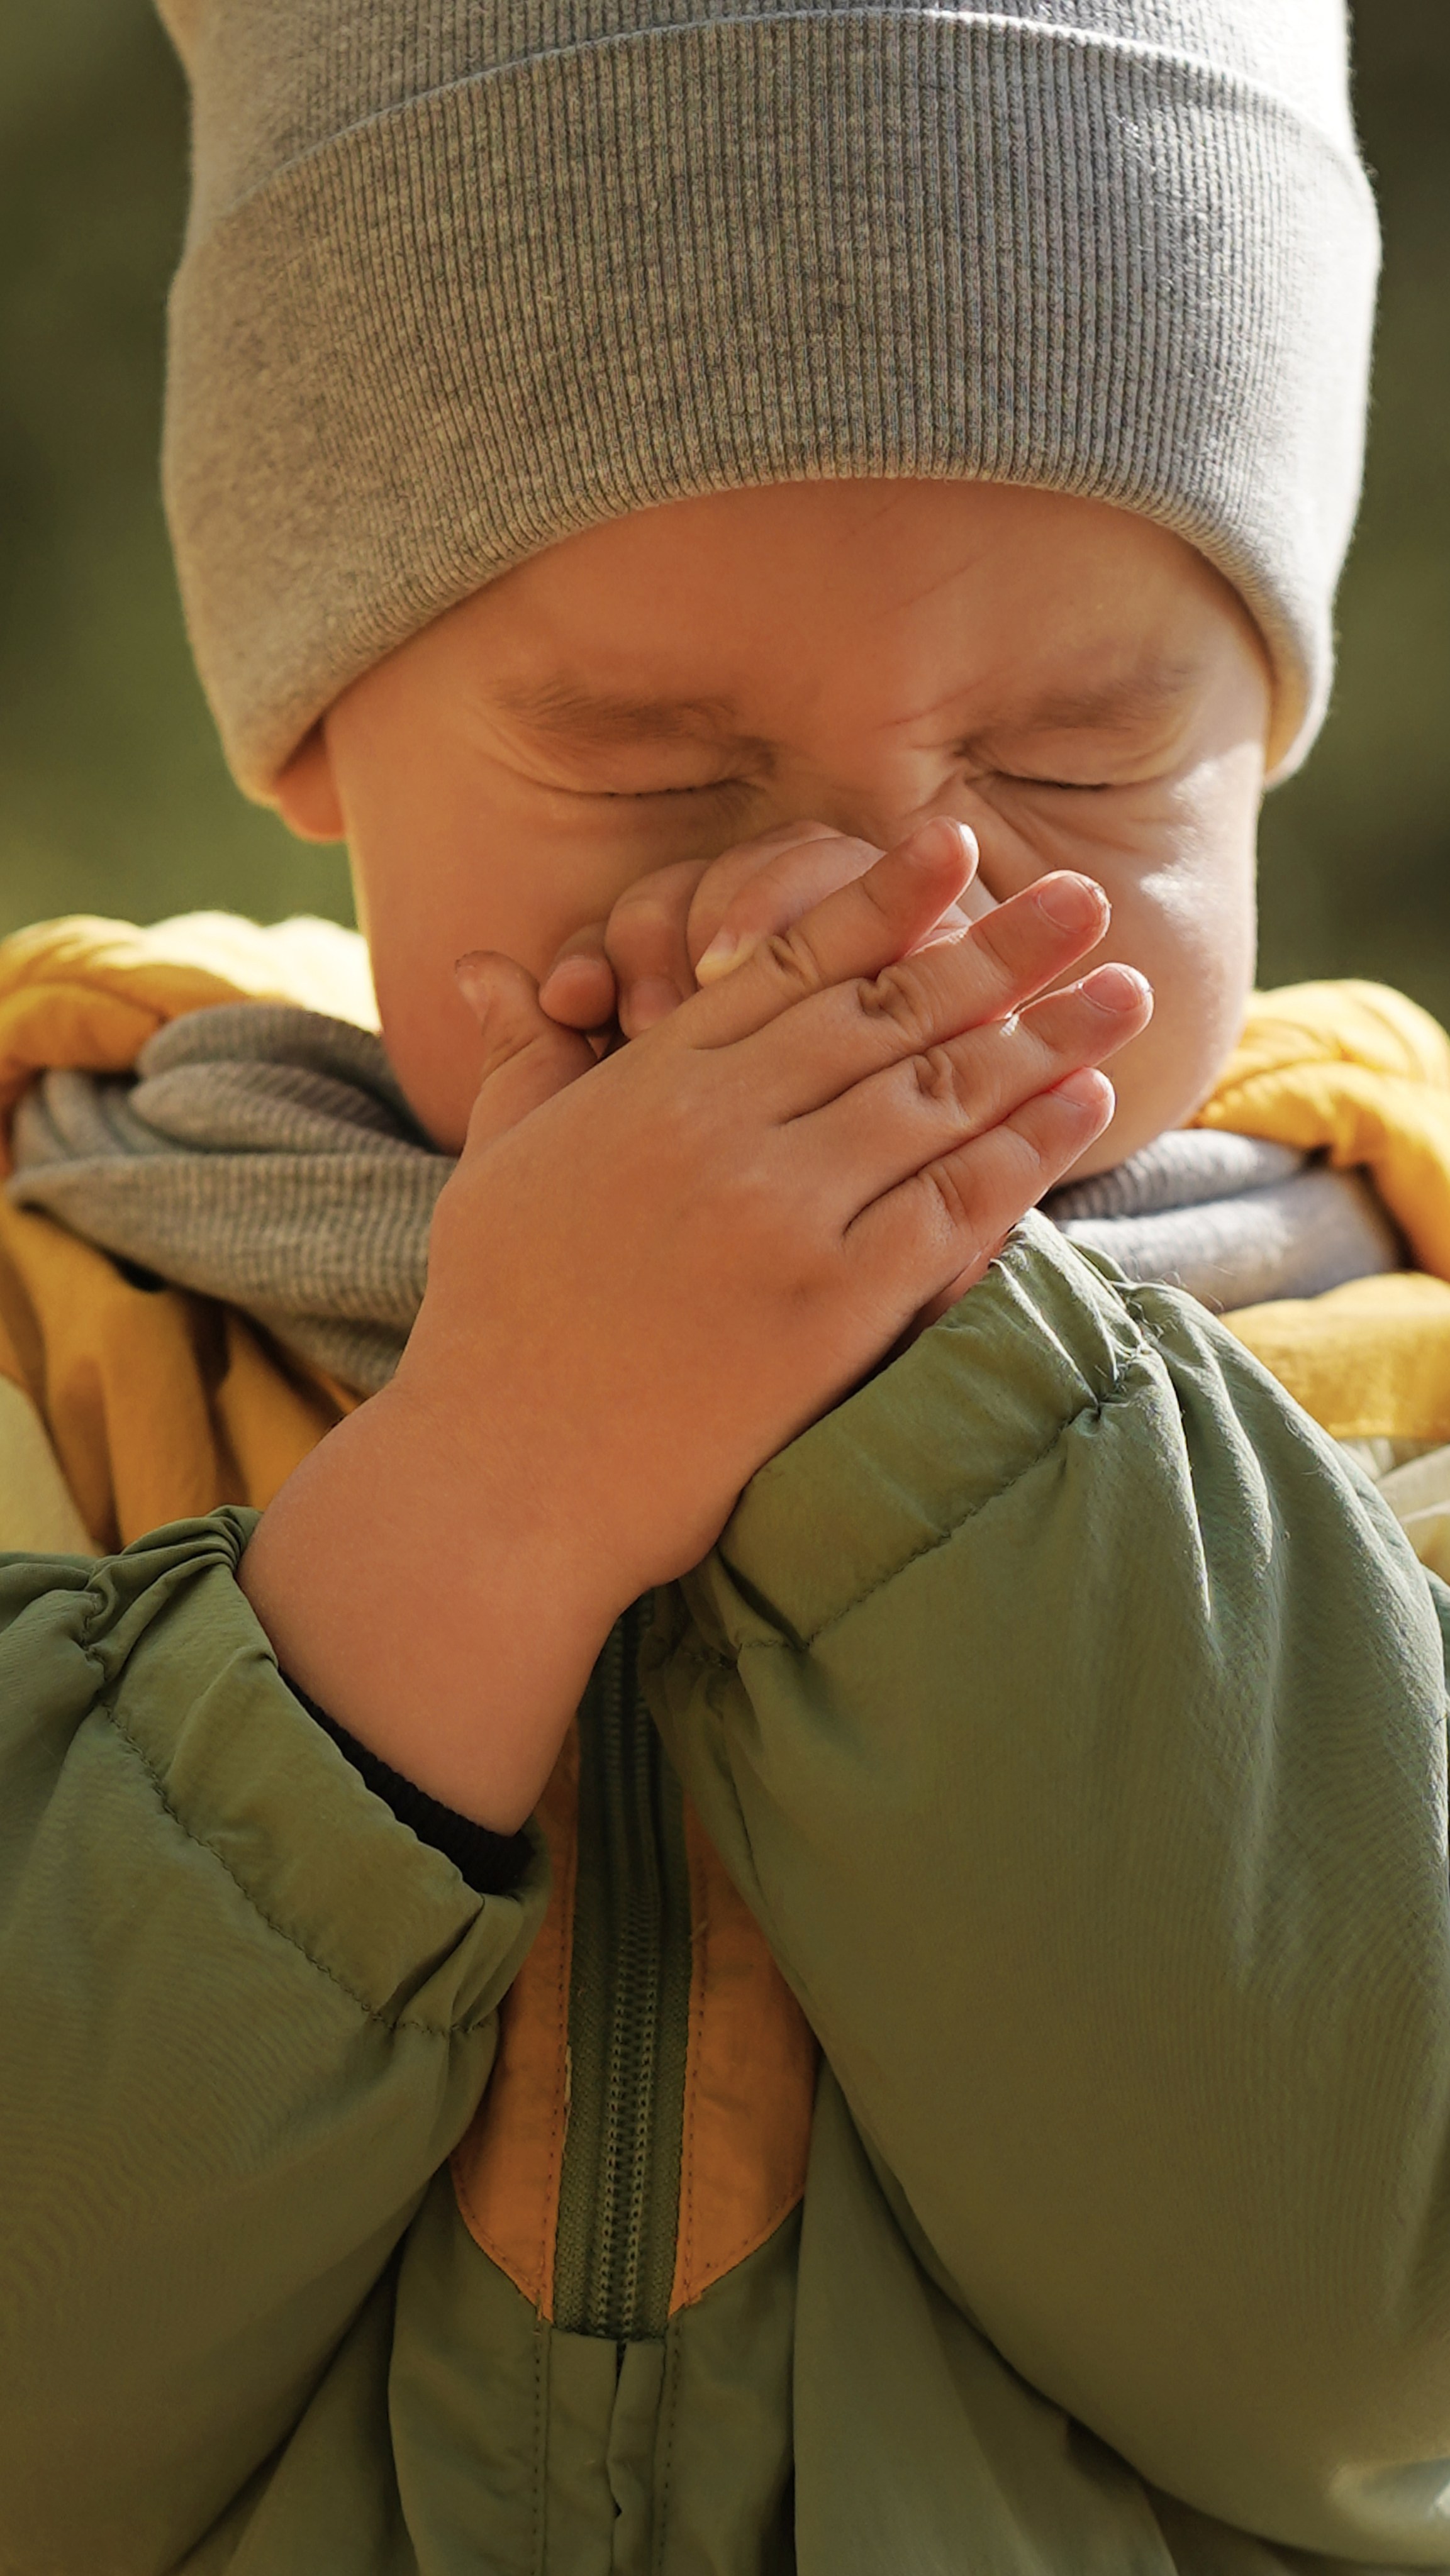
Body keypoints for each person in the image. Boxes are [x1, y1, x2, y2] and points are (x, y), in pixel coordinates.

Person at [4, 0, 1450, 2568]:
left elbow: (1364, 2348)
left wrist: (940, 1397)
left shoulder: (1409, 1362)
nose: (865, 910)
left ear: (1265, 730)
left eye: (1087, 762)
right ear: (317, 719)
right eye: (662, 767)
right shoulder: (58, 1325)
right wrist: (487, 1493)